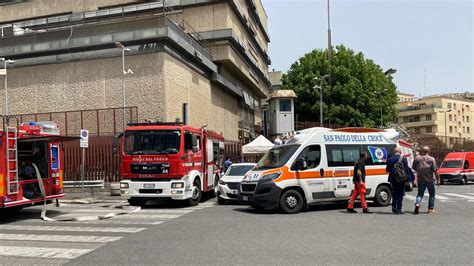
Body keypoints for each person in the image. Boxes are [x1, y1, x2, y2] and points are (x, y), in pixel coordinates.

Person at [412, 146, 440, 214]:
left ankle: (417, 203)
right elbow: (435, 170)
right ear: (429, 151)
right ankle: (430, 209)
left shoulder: (417, 158)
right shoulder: (431, 159)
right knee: (432, 194)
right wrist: (438, 180)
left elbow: (413, 167)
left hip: (421, 179)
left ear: (422, 151)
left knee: (420, 194)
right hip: (430, 179)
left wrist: (419, 170)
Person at [386, 147, 414, 214]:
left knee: (394, 192)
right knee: (400, 194)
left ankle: (393, 207)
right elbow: (406, 169)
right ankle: (399, 209)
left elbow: (387, 170)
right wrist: (408, 179)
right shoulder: (403, 159)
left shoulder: (390, 159)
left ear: (394, 152)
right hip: (401, 179)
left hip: (393, 179)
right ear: (400, 152)